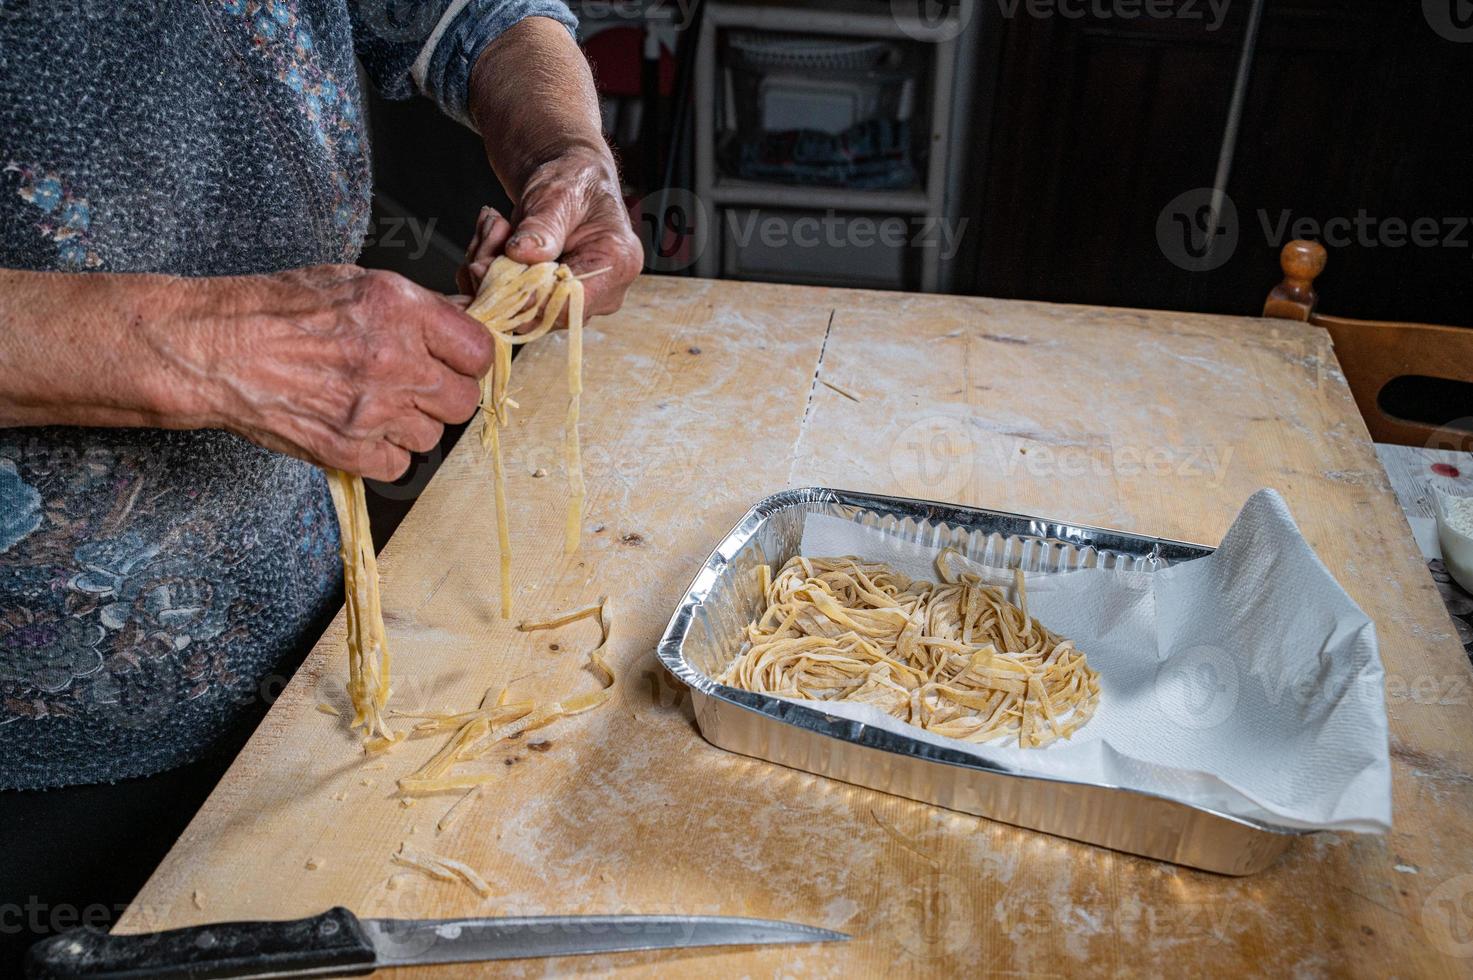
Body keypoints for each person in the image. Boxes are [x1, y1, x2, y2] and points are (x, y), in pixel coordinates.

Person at [0, 0, 641, 966]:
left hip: (302, 649)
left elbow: (484, 15)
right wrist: (212, 347)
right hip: (32, 731)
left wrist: (567, 150)